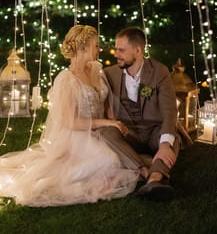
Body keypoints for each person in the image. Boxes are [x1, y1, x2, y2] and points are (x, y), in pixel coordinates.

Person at [0, 25, 138, 206]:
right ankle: (58, 183)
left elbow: (104, 101)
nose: (99, 49)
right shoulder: (66, 79)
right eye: (95, 45)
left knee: (117, 155)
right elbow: (69, 121)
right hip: (76, 135)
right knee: (108, 160)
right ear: (83, 49)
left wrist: (111, 121)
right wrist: (105, 122)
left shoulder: (97, 68)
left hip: (100, 130)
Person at [101, 27, 192, 200]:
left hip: (154, 131)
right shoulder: (109, 74)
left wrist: (164, 145)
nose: (116, 54)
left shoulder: (159, 71)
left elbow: (169, 109)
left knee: (173, 138)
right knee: (106, 133)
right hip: (129, 133)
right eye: (116, 49)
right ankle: (144, 171)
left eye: (121, 50)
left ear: (138, 50)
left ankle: (154, 180)